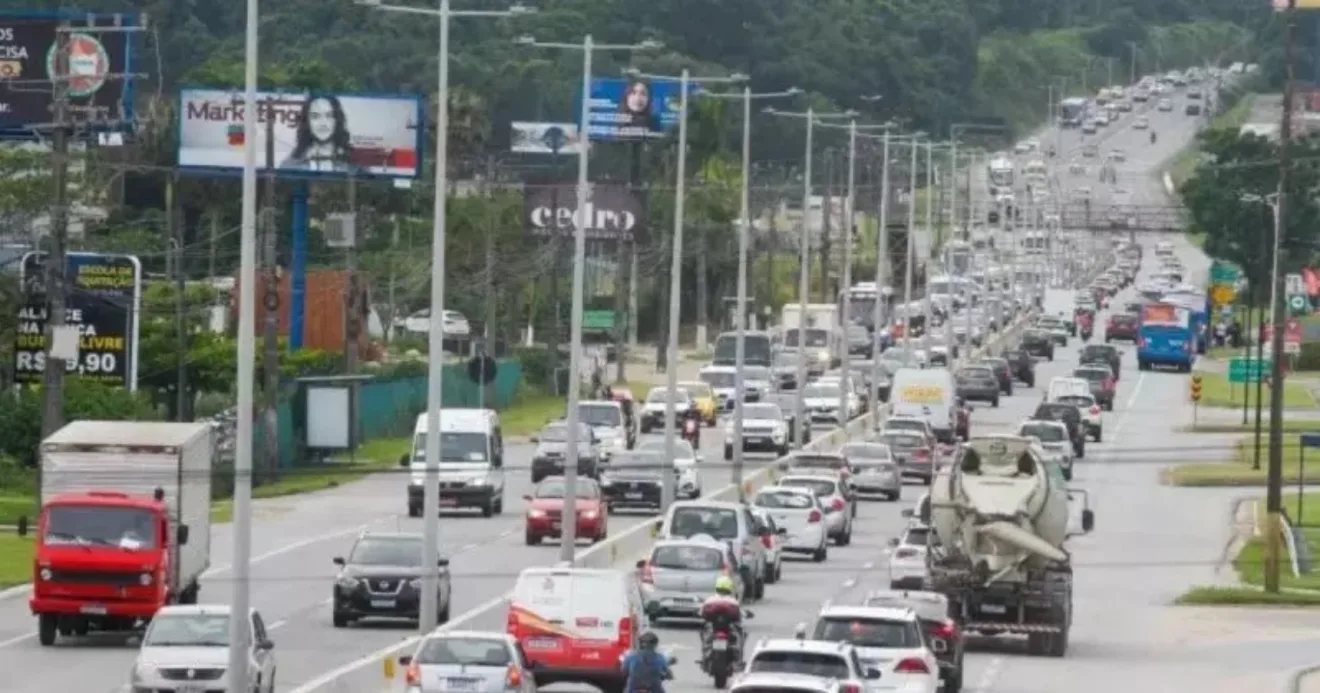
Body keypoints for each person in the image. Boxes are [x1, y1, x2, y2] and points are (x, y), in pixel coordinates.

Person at [281, 95, 354, 173]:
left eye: (329, 115)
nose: (323, 123)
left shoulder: (352, 161)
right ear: (307, 121)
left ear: (337, 120)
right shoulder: (290, 165)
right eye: (315, 116)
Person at [699, 575, 745, 661]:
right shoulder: (733, 601)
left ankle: (704, 655)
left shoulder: (710, 600)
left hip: (714, 636)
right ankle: (739, 658)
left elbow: (701, 612)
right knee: (741, 634)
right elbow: (740, 614)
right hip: (727, 637)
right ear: (729, 588)